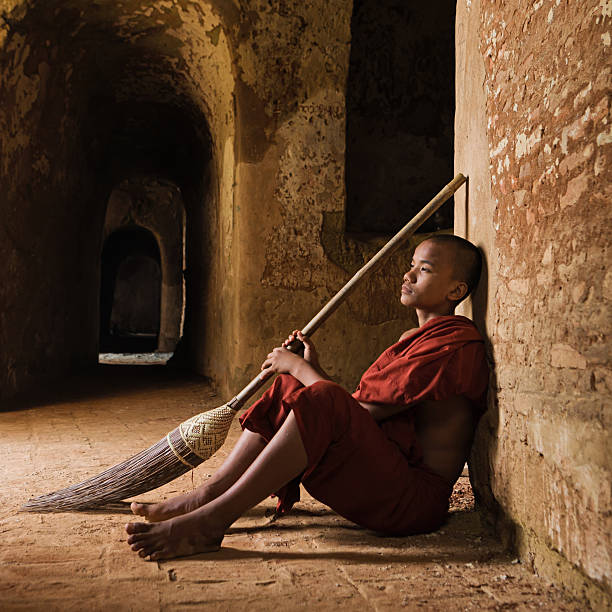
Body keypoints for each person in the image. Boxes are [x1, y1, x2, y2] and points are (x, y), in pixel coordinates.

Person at [125, 235, 489, 561]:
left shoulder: (452, 343)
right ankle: (210, 493)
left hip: (412, 501)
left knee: (311, 391)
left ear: (456, 291)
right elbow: (361, 413)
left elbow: (352, 410)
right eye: (410, 266)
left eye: (423, 270)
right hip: (389, 474)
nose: (408, 276)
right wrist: (308, 371)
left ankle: (212, 520)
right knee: (290, 389)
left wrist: (299, 367)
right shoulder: (417, 335)